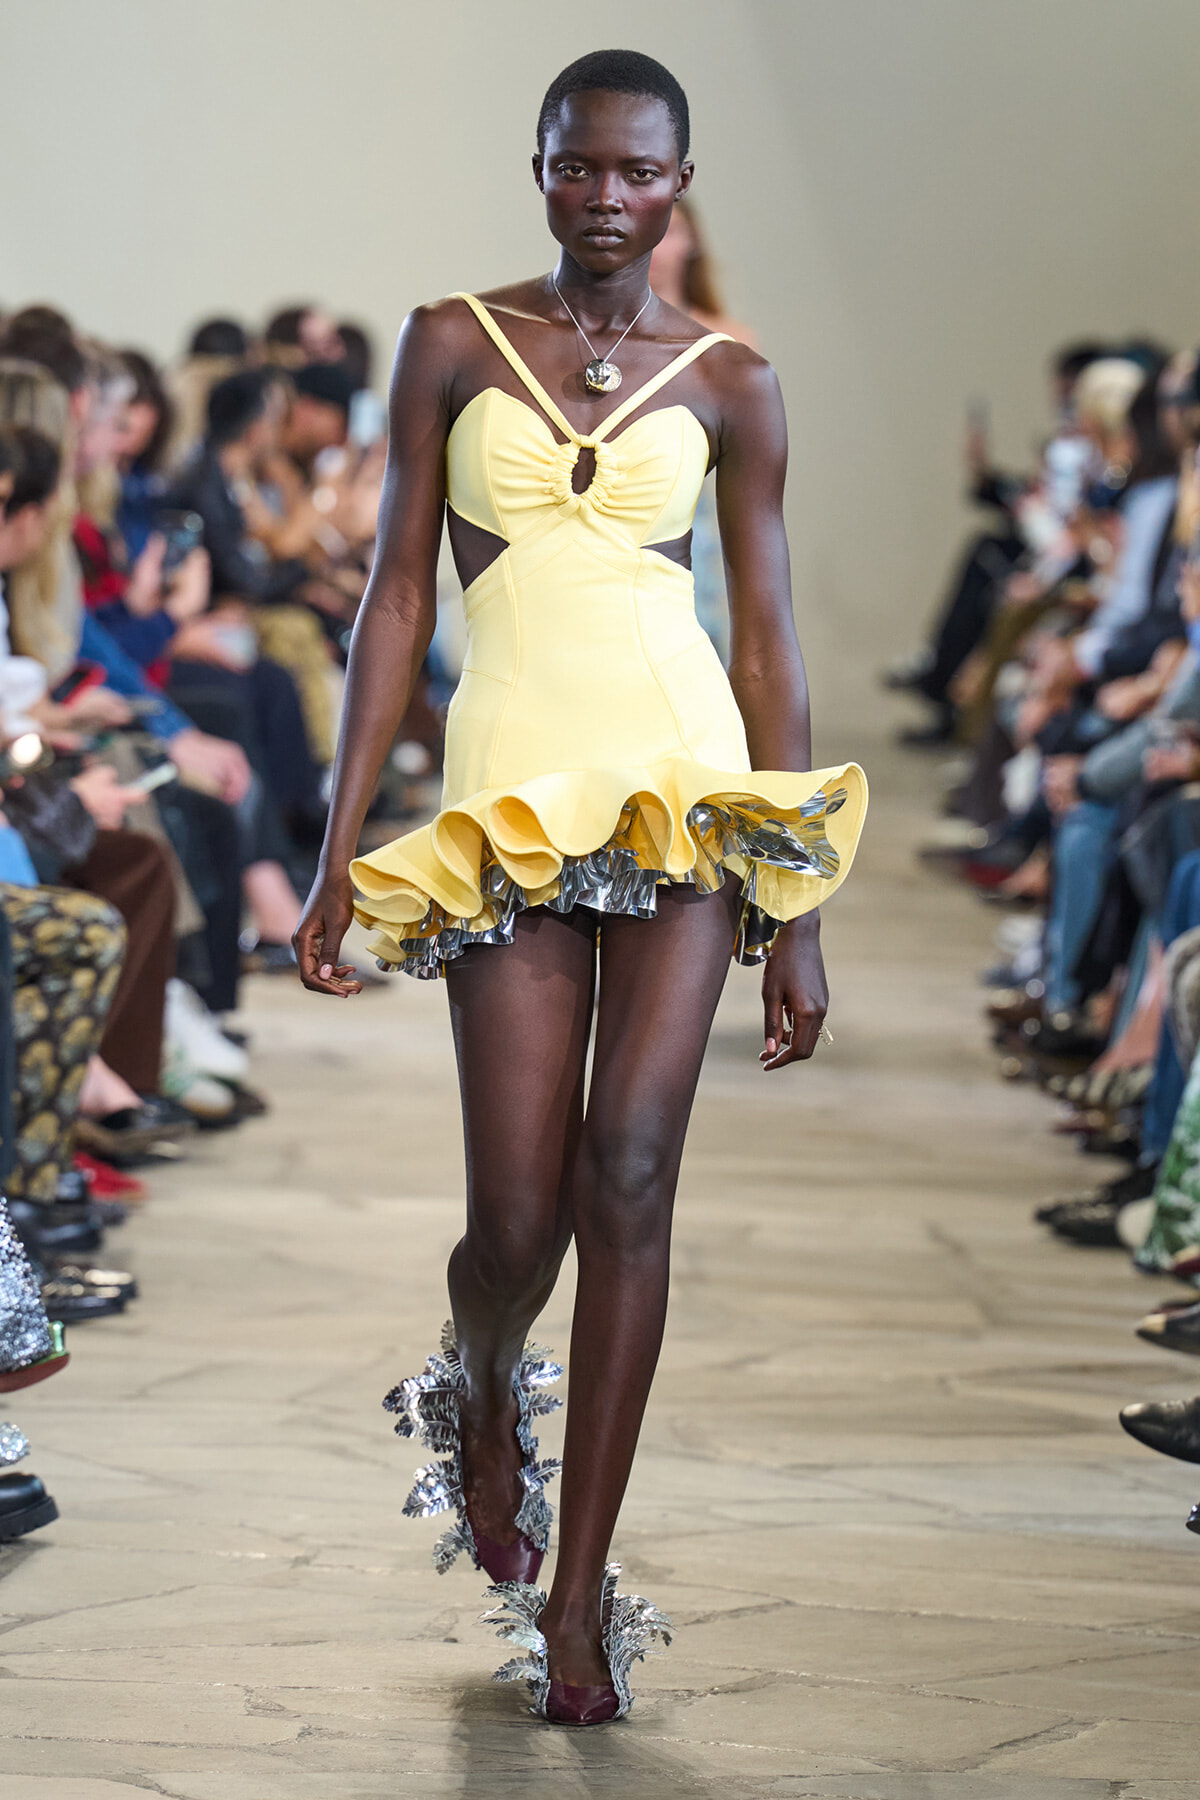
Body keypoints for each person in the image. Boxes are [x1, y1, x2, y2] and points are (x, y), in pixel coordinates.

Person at [294, 48, 866, 1726]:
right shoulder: (450, 342)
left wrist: (797, 907)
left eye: (636, 171)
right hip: (508, 795)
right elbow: (398, 599)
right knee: (516, 1220)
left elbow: (763, 640)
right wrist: (339, 849)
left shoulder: (736, 381)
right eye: (577, 166)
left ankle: (576, 1595)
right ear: (538, 168)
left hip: (680, 791)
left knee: (631, 1173)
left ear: (680, 184)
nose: (606, 196)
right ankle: (483, 1386)